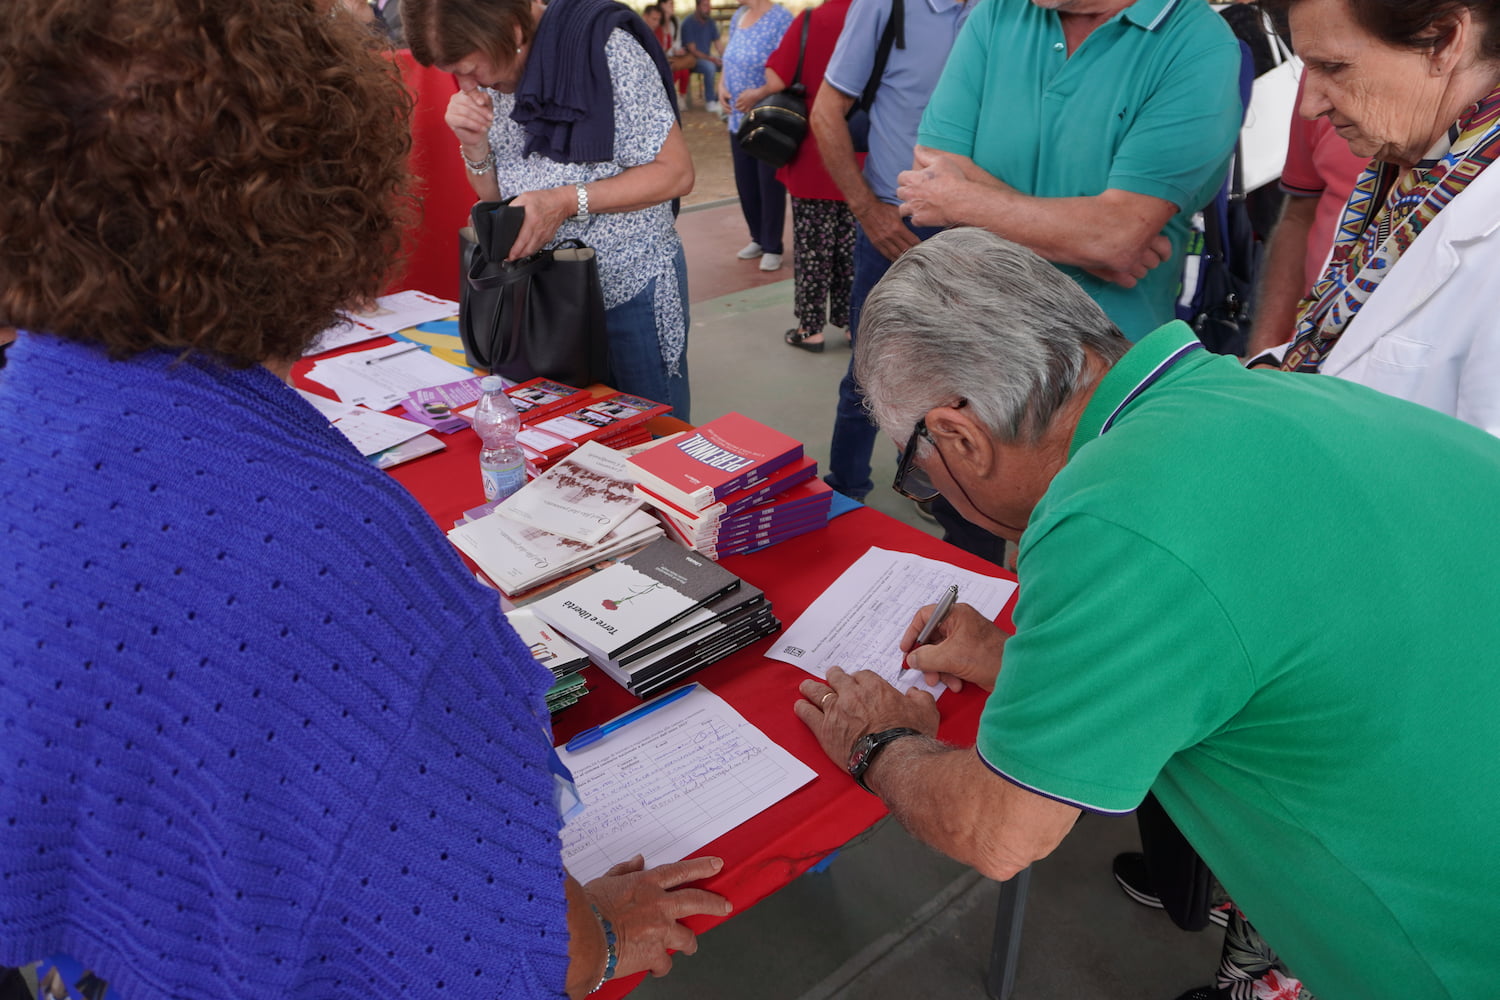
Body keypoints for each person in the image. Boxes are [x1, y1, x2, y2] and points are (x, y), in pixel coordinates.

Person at [0, 2, 728, 999]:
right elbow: (472, 929)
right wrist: (592, 941)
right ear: (327, 199)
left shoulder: (29, 394)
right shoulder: (347, 569)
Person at [793, 227, 1500, 1000]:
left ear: (959, 436)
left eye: (917, 470)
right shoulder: (1254, 391)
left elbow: (1000, 830)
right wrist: (1014, 660)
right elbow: (1238, 638)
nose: (927, 490)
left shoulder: (1110, 507)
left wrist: (878, 742)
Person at [410, 0, 695, 418]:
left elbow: (675, 173)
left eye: (472, 68)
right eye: (454, 72)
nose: (467, 84)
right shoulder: (495, 76)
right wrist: (473, 144)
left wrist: (564, 202)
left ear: (512, 28)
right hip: (545, 300)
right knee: (572, 453)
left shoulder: (605, 49)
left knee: (654, 446)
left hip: (630, 291)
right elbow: (494, 194)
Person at [896, 0, 1243, 341]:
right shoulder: (998, 10)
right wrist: (1079, 244)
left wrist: (958, 202)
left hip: (1102, 356)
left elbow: (1116, 236)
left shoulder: (1198, 43)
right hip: (970, 337)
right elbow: (930, 166)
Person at [1248, 0, 1500, 436]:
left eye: (1334, 66)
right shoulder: (1403, 182)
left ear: (1444, 40)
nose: (1310, 106)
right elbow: (1347, 348)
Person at [811, 0, 975, 510]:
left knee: (969, 379)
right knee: (874, 367)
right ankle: (847, 490)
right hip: (897, 227)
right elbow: (825, 111)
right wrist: (868, 210)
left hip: (983, 232)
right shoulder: (886, 5)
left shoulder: (1012, 13)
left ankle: (942, 494)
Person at [739, 0, 859, 353]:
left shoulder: (810, 20)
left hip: (813, 152)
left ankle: (811, 329)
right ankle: (854, 324)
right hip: (863, 154)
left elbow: (776, 77)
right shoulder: (876, 20)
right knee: (852, 250)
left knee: (813, 249)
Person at [1244, 73, 1367, 362]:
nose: (1308, 107)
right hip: (1303, 358)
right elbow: (1299, 217)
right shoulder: (1318, 80)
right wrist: (1262, 355)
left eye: (1335, 65)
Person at [718, 0, 794, 272]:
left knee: (768, 182)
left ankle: (773, 245)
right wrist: (721, 86)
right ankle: (758, 238)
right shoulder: (739, 15)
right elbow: (728, 58)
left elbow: (786, 68)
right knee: (745, 181)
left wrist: (757, 94)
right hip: (738, 117)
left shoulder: (780, 19)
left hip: (767, 117)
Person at [680, 0, 725, 112]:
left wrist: (725, 58)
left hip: (707, 57)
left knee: (727, 65)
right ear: (697, 6)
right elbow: (693, 50)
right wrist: (712, 59)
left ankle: (719, 98)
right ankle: (710, 102)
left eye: (709, 6)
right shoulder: (688, 23)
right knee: (709, 67)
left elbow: (718, 44)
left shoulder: (711, 22)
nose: (708, 9)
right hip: (692, 60)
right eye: (705, 6)